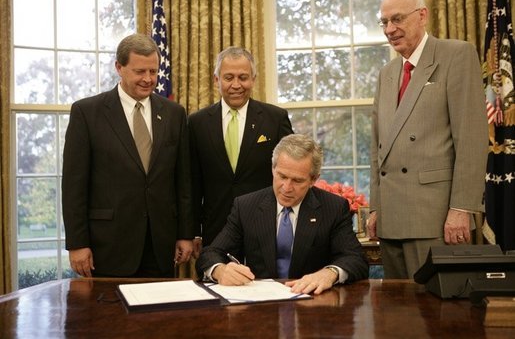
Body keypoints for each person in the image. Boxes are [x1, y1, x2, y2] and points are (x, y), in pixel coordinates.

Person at [368, 0, 488, 278]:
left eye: (397, 19)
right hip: (390, 220)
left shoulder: (456, 55)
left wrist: (461, 208)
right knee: (397, 314)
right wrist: (375, 208)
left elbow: (471, 139)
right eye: (384, 22)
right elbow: (377, 148)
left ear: (422, 16)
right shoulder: (387, 73)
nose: (389, 29)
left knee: (437, 316)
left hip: (436, 218)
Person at [62, 33, 194, 278]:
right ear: (119, 68)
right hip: (108, 245)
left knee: (160, 314)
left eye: (153, 72)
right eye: (140, 72)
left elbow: (183, 180)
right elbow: (74, 186)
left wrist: (185, 234)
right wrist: (77, 243)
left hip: (161, 244)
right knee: (108, 316)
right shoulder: (87, 113)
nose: (148, 79)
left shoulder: (174, 114)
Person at [196, 134, 369, 295]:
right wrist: (220, 270)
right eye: (282, 176)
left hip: (313, 304)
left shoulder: (333, 207)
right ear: (273, 169)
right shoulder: (246, 206)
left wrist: (329, 273)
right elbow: (210, 253)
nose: (286, 187)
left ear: (313, 179)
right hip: (260, 303)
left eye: (297, 180)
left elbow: (356, 259)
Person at [188, 46, 293, 257]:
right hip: (216, 229)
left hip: (265, 226)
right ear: (216, 80)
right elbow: (191, 184)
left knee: (265, 288)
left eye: (243, 77)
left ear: (253, 79)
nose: (236, 85)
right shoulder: (197, 123)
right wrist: (193, 232)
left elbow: (289, 172)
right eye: (229, 77)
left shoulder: (275, 118)